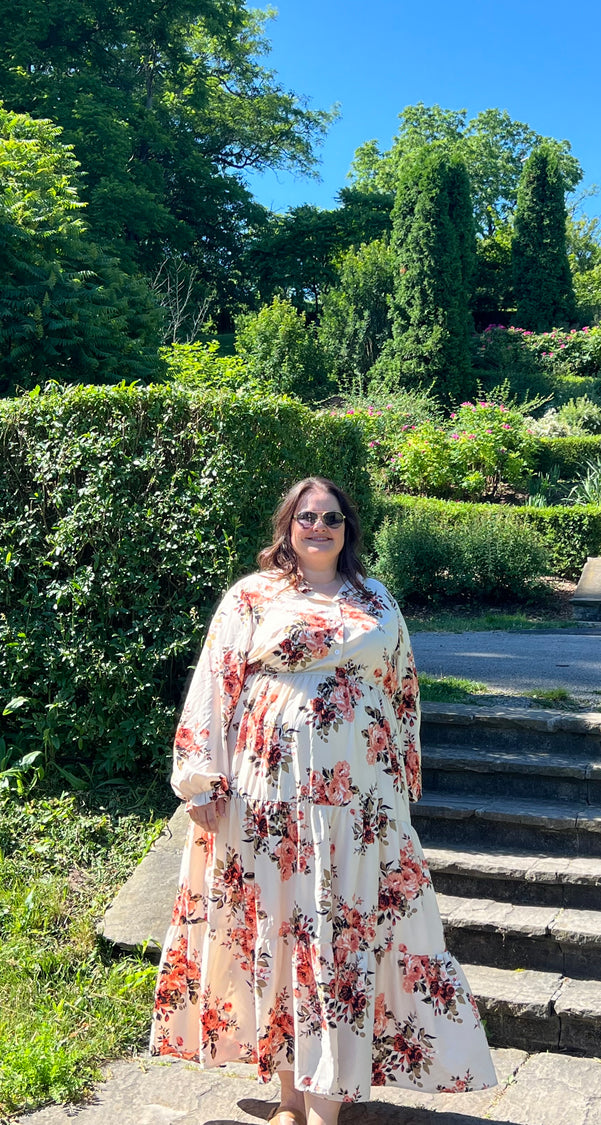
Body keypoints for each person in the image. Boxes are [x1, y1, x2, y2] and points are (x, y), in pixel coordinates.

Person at [149, 475, 496, 1125]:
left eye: (331, 517)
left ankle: (329, 1104)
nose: (318, 525)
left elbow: (401, 688)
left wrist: (400, 783)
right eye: (306, 515)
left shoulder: (374, 598)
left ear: (347, 529)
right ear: (287, 525)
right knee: (279, 938)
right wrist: (201, 780)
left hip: (357, 810)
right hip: (268, 800)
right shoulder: (252, 597)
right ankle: (288, 1100)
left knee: (340, 942)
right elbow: (215, 683)